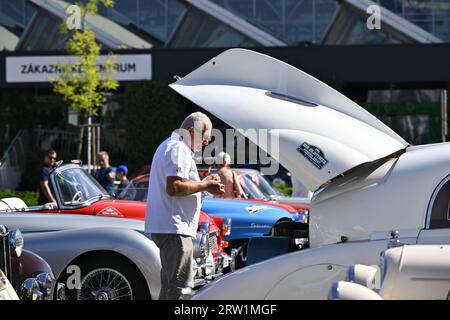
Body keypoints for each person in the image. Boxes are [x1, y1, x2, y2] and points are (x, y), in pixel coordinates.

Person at [145, 112, 225, 300]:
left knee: (170, 287)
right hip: (175, 229)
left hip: (172, 227)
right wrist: (206, 185)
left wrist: (203, 182)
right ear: (191, 131)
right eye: (206, 137)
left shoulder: (174, 146)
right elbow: (174, 187)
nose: (206, 142)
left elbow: (177, 186)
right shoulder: (178, 148)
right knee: (180, 289)